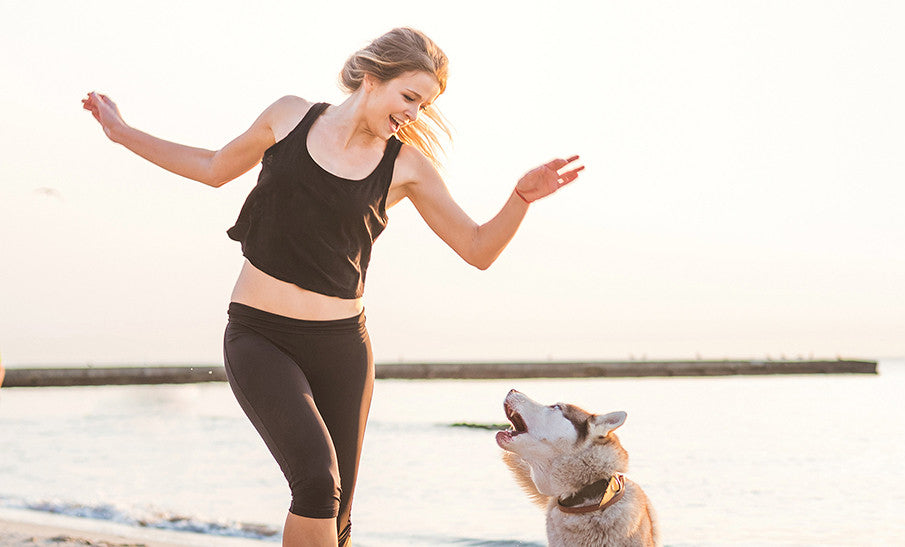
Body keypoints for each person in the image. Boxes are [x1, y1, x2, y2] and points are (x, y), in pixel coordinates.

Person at [81, 27, 583, 547]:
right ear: (372, 77)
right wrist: (122, 132)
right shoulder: (290, 116)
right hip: (260, 337)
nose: (413, 114)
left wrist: (520, 199)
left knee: (339, 514)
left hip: (342, 348)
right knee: (318, 484)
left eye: (424, 106)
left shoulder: (406, 166)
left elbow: (477, 249)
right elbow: (212, 167)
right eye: (408, 97)